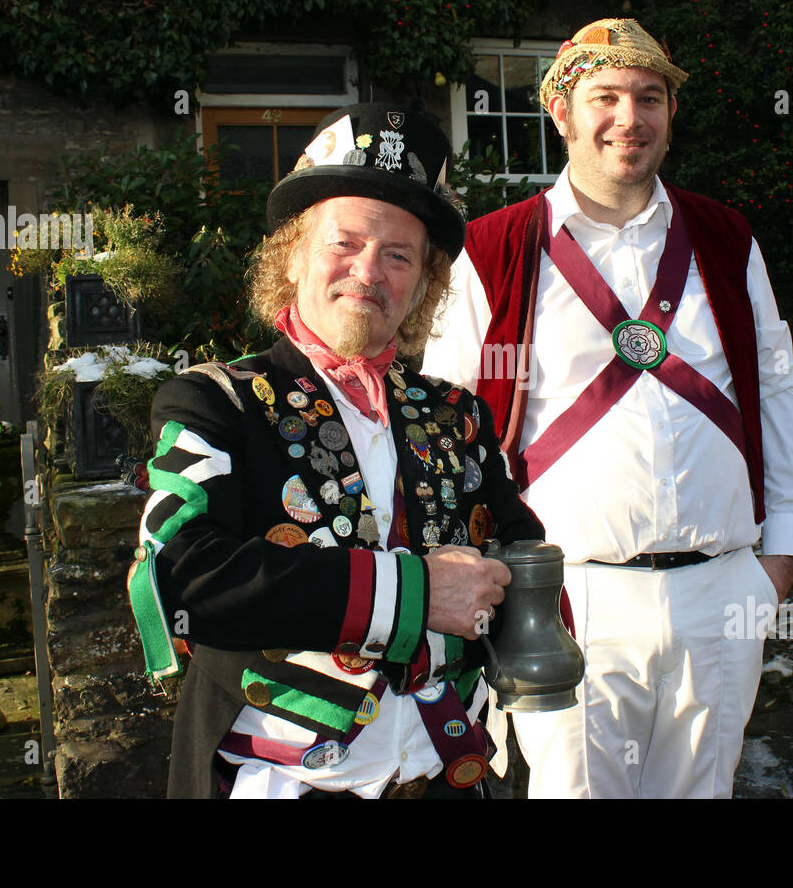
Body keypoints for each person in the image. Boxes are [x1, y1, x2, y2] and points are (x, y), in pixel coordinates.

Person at [422, 19, 793, 798]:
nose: (627, 118)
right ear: (562, 113)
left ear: (671, 113)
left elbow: (773, 390)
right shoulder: (493, 249)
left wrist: (778, 561)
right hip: (568, 599)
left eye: (648, 97)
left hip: (722, 590)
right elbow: (448, 427)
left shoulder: (726, 237)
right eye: (604, 96)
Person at [129, 103, 543, 799]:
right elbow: (185, 578)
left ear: (422, 284)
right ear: (292, 256)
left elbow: (519, 556)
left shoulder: (461, 415)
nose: (368, 272)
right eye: (343, 244)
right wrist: (414, 595)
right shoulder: (215, 402)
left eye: (398, 255)